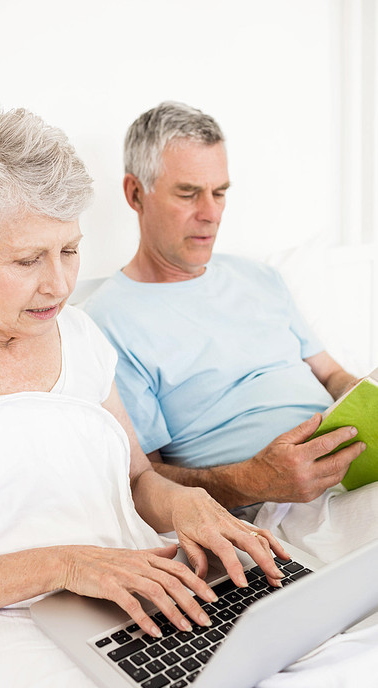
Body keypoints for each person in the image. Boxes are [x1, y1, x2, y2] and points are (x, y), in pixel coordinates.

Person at [0, 102, 289, 688]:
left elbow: (136, 481)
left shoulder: (82, 334)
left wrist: (187, 508)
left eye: (69, 249)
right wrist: (64, 564)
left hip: (122, 602)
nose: (59, 284)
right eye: (26, 260)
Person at [83, 101, 377, 561]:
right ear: (135, 193)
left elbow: (333, 377)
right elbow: (147, 483)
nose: (211, 213)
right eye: (188, 193)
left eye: (220, 192)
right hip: (276, 510)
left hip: (353, 474)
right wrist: (256, 479)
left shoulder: (259, 277)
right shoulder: (106, 322)